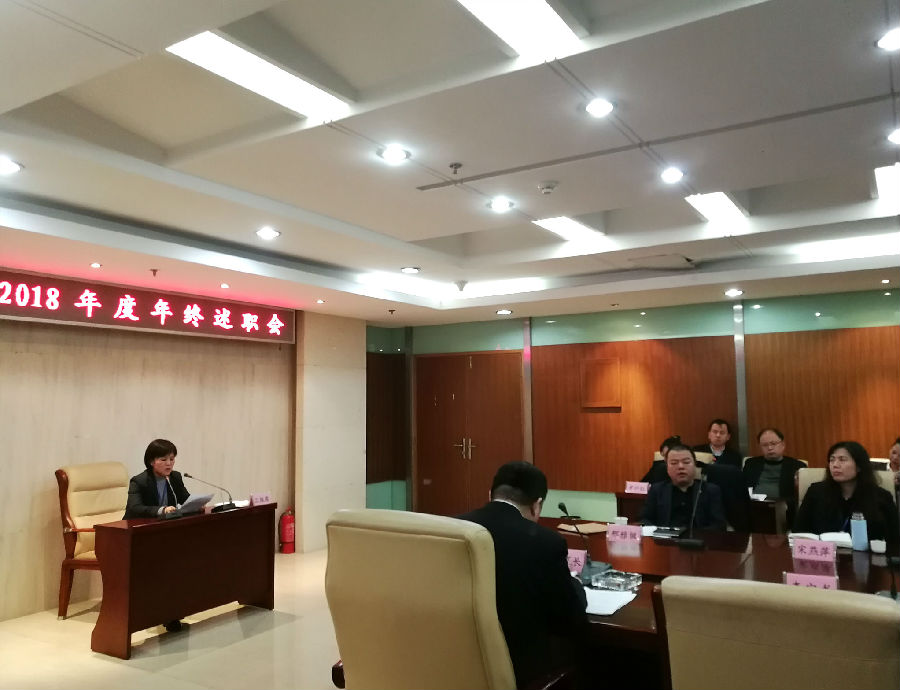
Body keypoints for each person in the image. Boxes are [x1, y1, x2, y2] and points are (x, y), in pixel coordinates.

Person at [458, 462, 588, 689]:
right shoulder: (547, 542)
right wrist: (575, 584)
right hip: (520, 671)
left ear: (490, 495)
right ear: (537, 505)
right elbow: (569, 620)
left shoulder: (454, 529)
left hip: (458, 661)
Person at [794, 441, 899, 553]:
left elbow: (895, 539)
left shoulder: (881, 497)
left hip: (867, 558)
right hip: (824, 556)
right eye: (832, 460)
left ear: (859, 466)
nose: (835, 465)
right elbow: (799, 531)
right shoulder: (816, 492)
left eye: (842, 459)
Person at [640, 444, 727, 531]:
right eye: (674, 463)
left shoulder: (711, 491)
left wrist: (698, 535)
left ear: (695, 464)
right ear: (667, 468)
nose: (681, 467)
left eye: (686, 462)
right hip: (665, 538)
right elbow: (644, 520)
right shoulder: (656, 490)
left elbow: (719, 525)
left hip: (699, 538)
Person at [742, 428, 805, 522]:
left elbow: (799, 497)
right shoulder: (751, 463)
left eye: (773, 443)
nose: (770, 448)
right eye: (765, 445)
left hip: (783, 511)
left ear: (782, 445)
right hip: (754, 508)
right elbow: (743, 488)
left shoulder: (797, 465)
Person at [124, 439, 190, 519]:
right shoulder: (139, 481)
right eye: (163, 459)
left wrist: (198, 504)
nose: (169, 463)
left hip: (166, 522)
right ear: (151, 462)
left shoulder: (175, 477)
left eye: (172, 459)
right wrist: (162, 510)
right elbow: (135, 508)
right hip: (138, 523)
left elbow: (185, 499)